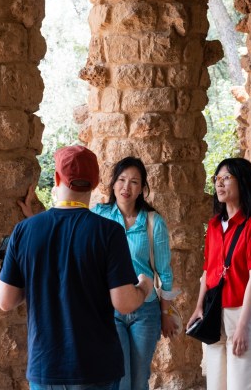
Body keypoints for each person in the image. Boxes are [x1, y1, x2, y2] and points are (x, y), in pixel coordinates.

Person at [0, 146, 153, 390]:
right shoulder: (108, 232)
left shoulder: (25, 230)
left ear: (57, 179)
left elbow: (6, 300)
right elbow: (124, 303)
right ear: (96, 182)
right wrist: (145, 286)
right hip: (95, 367)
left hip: (45, 366)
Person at [90, 156, 178, 390]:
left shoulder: (153, 222)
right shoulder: (99, 216)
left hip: (145, 311)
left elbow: (164, 272)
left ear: (142, 189)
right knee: (120, 378)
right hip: (111, 308)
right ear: (113, 184)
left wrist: (166, 313)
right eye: (121, 180)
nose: (126, 187)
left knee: (139, 381)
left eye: (134, 182)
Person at [187, 158, 251, 390]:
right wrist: (198, 307)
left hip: (241, 311)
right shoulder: (214, 225)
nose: (219, 184)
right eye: (217, 179)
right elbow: (208, 270)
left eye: (226, 178)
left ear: (242, 182)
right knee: (216, 383)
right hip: (214, 311)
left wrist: (243, 326)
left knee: (245, 383)